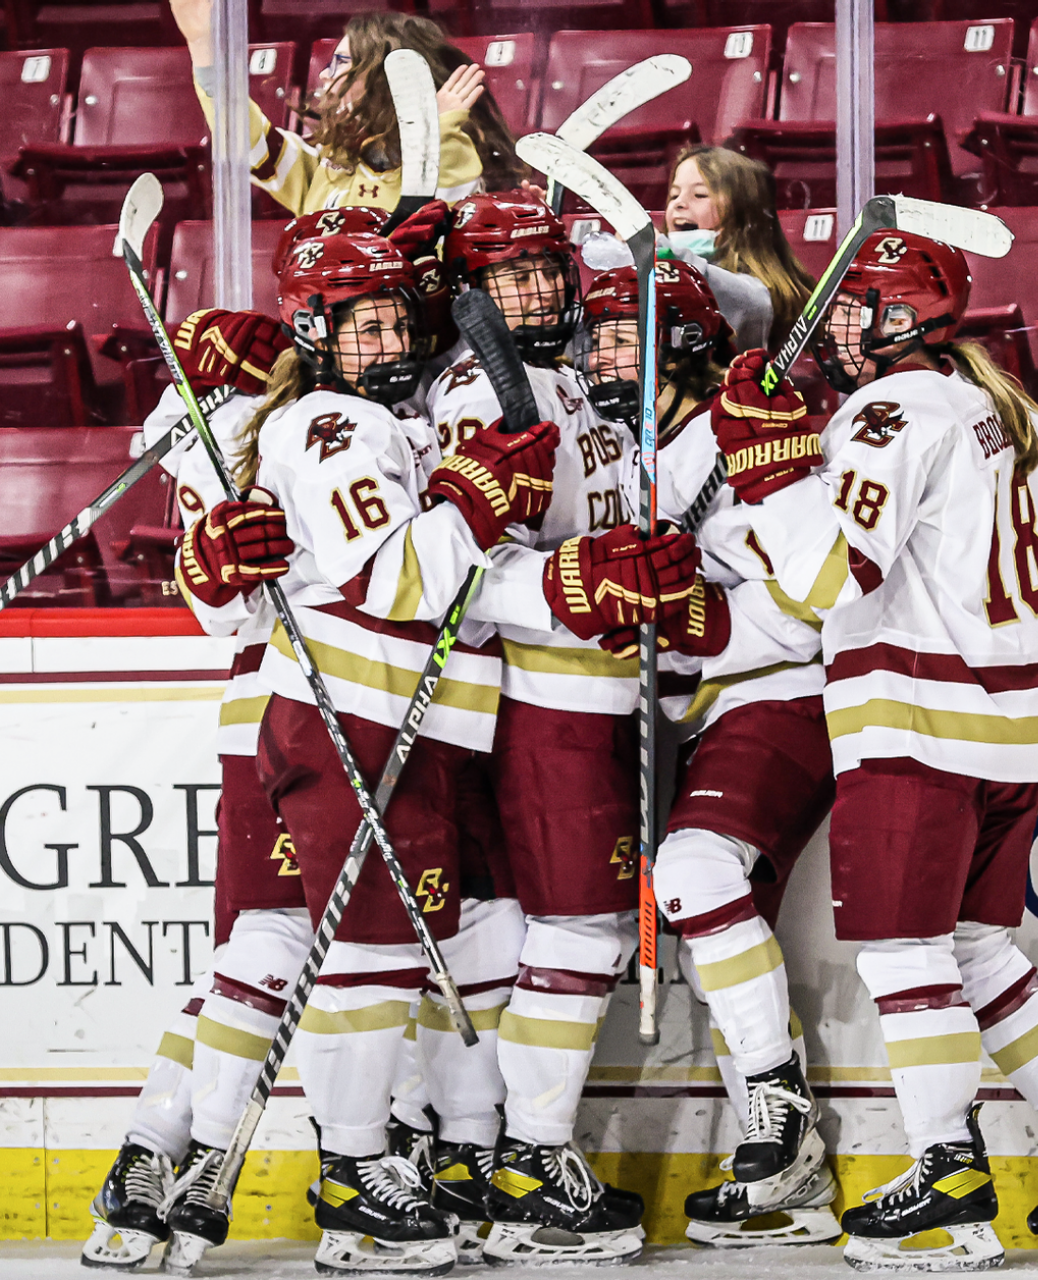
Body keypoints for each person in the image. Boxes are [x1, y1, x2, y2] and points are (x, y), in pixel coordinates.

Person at [710, 229, 1038, 1270]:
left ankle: (947, 1179)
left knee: (903, 953)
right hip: (1012, 728)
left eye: (856, 307)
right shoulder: (991, 405)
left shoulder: (885, 413)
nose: (837, 326)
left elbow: (823, 581)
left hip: (920, 722)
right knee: (970, 948)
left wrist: (771, 477)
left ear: (900, 318)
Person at [175, 229, 563, 1275]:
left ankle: (367, 1160)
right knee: (368, 956)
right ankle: (352, 1175)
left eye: (398, 316)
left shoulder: (374, 419)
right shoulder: (340, 422)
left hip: (396, 718)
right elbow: (400, 583)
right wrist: (478, 496)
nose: (389, 336)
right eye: (366, 322)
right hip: (358, 716)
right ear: (318, 333)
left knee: (385, 953)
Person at [426, 192, 696, 1267]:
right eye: (511, 276)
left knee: (542, 935)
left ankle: (488, 1149)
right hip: (539, 698)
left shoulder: (576, 375)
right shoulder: (470, 386)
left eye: (547, 270)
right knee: (577, 932)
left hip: (595, 692)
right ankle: (529, 1160)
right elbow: (454, 562)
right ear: (472, 290)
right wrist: (579, 577)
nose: (537, 291)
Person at [572, 261, 841, 1248]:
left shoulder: (740, 433)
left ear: (681, 345)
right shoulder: (629, 454)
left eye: (621, 337)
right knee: (717, 922)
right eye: (593, 336)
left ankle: (780, 1111)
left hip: (781, 692)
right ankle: (787, 1184)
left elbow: (808, 602)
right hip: (698, 709)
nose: (600, 354)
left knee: (690, 871)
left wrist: (695, 614)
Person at [81, 310, 304, 1274]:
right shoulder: (284, 399)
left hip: (442, 713)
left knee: (416, 959)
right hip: (291, 708)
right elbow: (177, 459)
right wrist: (222, 389)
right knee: (269, 945)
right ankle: (184, 1149)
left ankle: (153, 1152)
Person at [171, 0, 490, 214]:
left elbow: (440, 222)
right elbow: (251, 145)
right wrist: (204, 50)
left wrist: (435, 132)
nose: (324, 75)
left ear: (382, 77)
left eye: (340, 63)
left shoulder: (452, 153)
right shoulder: (328, 163)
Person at [664, 145, 815, 346]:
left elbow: (720, 290)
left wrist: (658, 252)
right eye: (674, 195)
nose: (678, 204)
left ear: (744, 215)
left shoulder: (755, 293)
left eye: (700, 195)